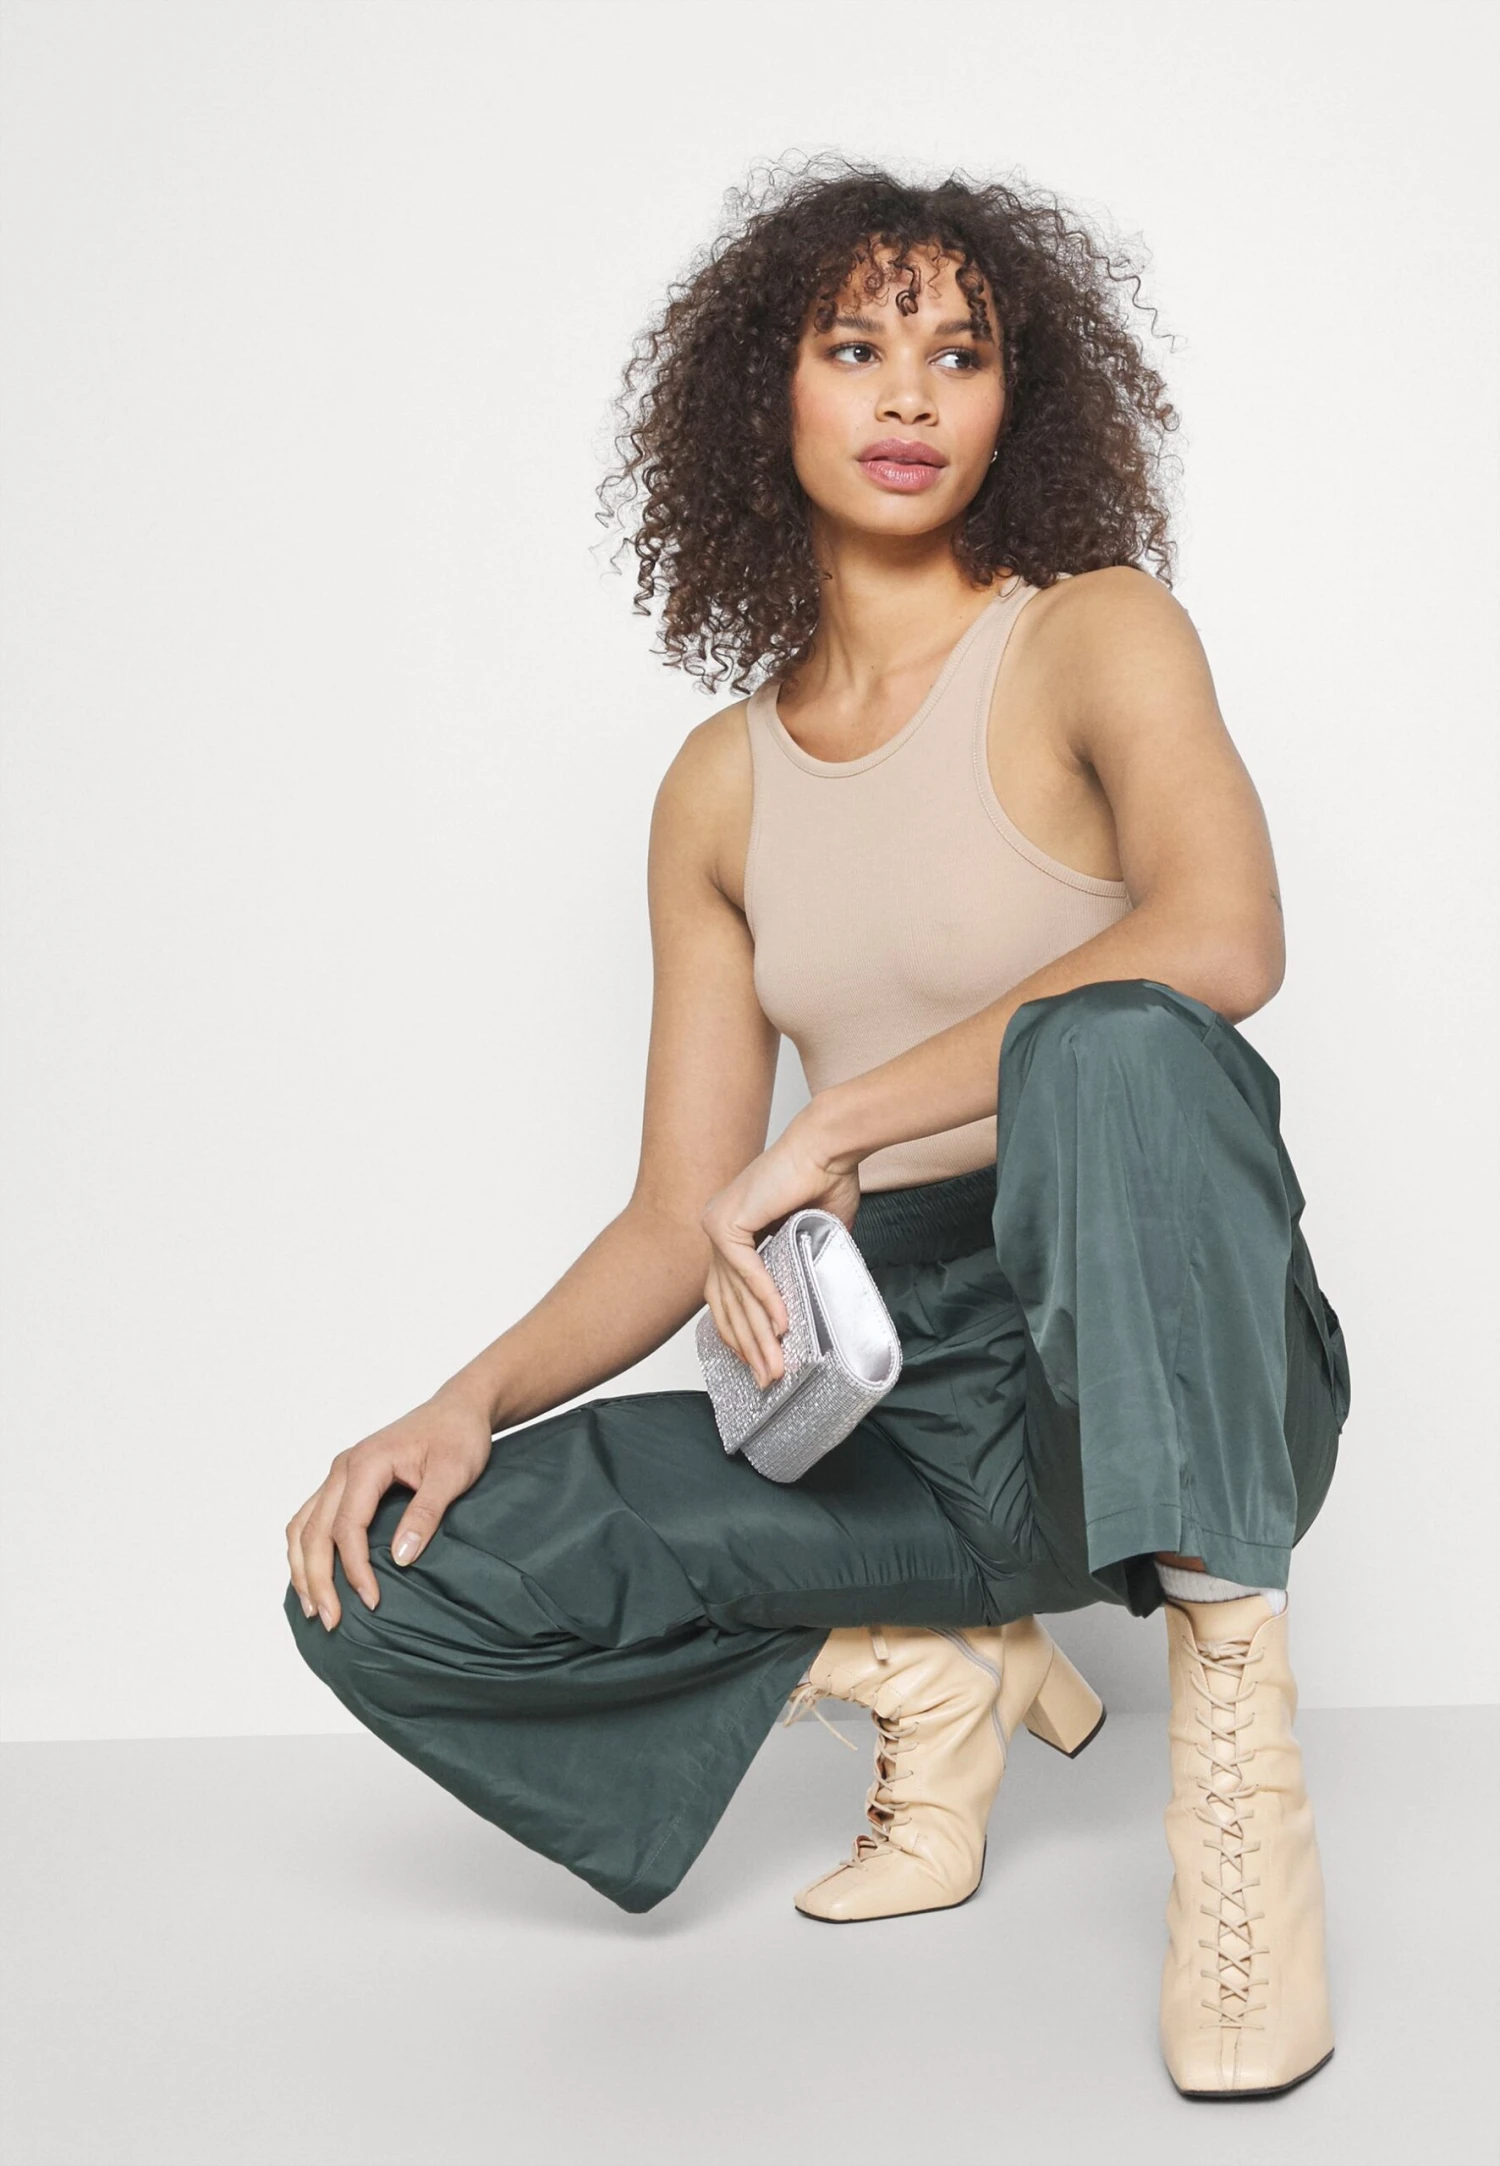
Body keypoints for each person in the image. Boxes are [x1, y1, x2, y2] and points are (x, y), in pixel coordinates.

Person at [282, 157, 1351, 2103]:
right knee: (380, 1570)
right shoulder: (720, 785)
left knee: (1118, 1045)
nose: (911, 393)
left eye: (961, 353)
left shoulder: (1095, 634)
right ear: (759, 393)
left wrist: (843, 1115)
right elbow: (679, 1214)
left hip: (1154, 1333)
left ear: (1020, 402)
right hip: (892, 1387)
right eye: (855, 348)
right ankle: (923, 1667)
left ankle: (1235, 1771)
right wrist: (462, 1399)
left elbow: (1223, 938)